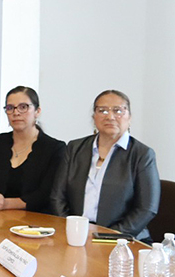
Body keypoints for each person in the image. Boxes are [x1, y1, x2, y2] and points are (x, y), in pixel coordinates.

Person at [50, 90, 160, 240]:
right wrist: (74, 228)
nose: (110, 116)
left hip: (123, 238)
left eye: (118, 110)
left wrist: (106, 236)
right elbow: (57, 197)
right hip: (77, 234)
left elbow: (147, 208)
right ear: (94, 117)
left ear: (129, 117)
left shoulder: (142, 154)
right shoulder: (75, 148)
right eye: (102, 110)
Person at [0, 87, 65, 214]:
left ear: (37, 111)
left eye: (23, 107)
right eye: (10, 108)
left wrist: (6, 204)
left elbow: (46, 194)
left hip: (37, 220)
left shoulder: (55, 148)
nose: (16, 113)